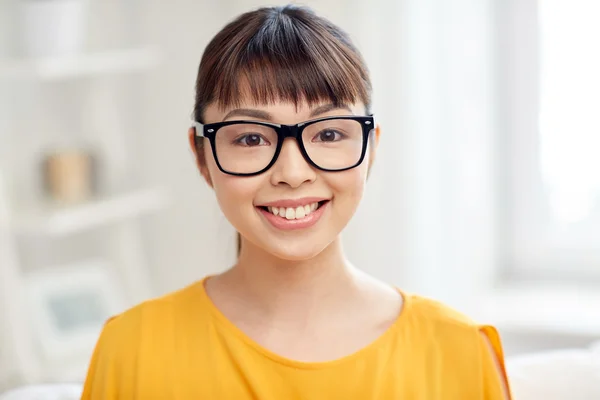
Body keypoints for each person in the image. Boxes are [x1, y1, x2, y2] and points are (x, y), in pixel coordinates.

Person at [81, 4, 511, 399]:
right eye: (250, 137)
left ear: (371, 148)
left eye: (328, 134)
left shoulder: (459, 353)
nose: (292, 172)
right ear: (201, 155)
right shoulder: (132, 351)